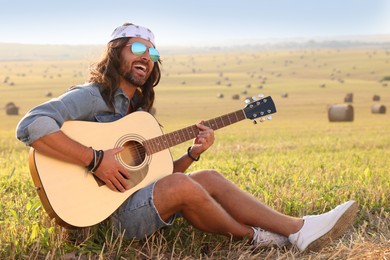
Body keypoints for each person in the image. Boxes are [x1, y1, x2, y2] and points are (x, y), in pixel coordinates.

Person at [16, 22, 358, 252]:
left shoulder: (140, 115)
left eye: (152, 53)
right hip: (100, 219)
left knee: (205, 176)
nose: (146, 58)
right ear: (116, 51)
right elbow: (32, 124)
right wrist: (95, 159)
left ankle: (297, 230)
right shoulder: (94, 95)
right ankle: (259, 237)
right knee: (184, 187)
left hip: (128, 206)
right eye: (138, 47)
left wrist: (193, 154)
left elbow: (160, 181)